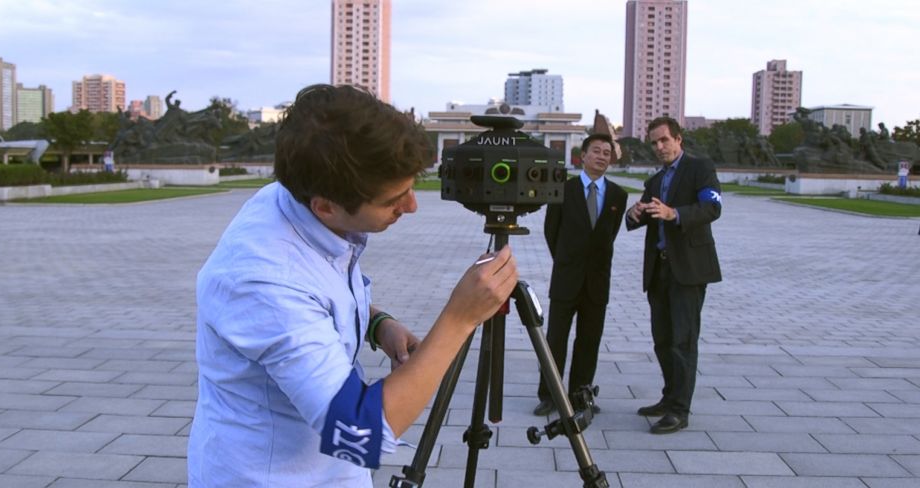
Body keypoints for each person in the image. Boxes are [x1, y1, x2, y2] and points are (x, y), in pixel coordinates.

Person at [187, 84, 518, 487]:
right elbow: (361, 435)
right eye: (394, 198)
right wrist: (459, 318)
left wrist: (378, 325)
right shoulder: (263, 280)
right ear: (325, 205)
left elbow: (318, 293)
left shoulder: (291, 197)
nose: (412, 206)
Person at [625, 116, 722, 435]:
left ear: (679, 139)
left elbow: (712, 208)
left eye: (664, 140)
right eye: (654, 143)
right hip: (659, 269)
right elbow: (640, 217)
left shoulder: (700, 168)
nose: (659, 147)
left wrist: (675, 213)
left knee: (683, 340)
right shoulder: (654, 181)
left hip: (689, 269)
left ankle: (680, 410)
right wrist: (634, 213)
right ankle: (669, 398)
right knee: (663, 340)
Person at [533, 133, 628, 416]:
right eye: (596, 151)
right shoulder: (563, 189)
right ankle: (549, 395)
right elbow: (552, 232)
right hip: (566, 279)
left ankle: (580, 395)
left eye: (607, 153)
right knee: (556, 340)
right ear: (583, 156)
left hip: (597, 282)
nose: (601, 156)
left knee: (589, 340)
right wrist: (566, 261)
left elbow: (608, 235)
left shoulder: (617, 196)